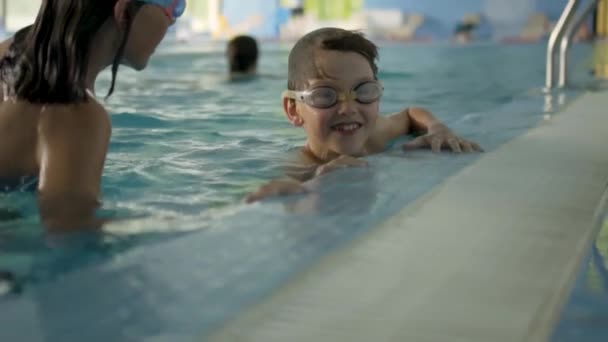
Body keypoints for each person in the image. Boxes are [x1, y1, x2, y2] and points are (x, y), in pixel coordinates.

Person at [0, 0, 186, 230]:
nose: (174, 19)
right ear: (123, 11)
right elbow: (72, 241)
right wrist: (194, 223)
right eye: (174, 6)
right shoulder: (75, 113)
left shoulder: (9, 53)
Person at [246, 28, 482, 203]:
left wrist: (436, 128)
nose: (348, 108)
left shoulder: (376, 134)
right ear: (293, 109)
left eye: (364, 91)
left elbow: (410, 114)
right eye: (325, 95)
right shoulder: (300, 167)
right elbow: (275, 194)